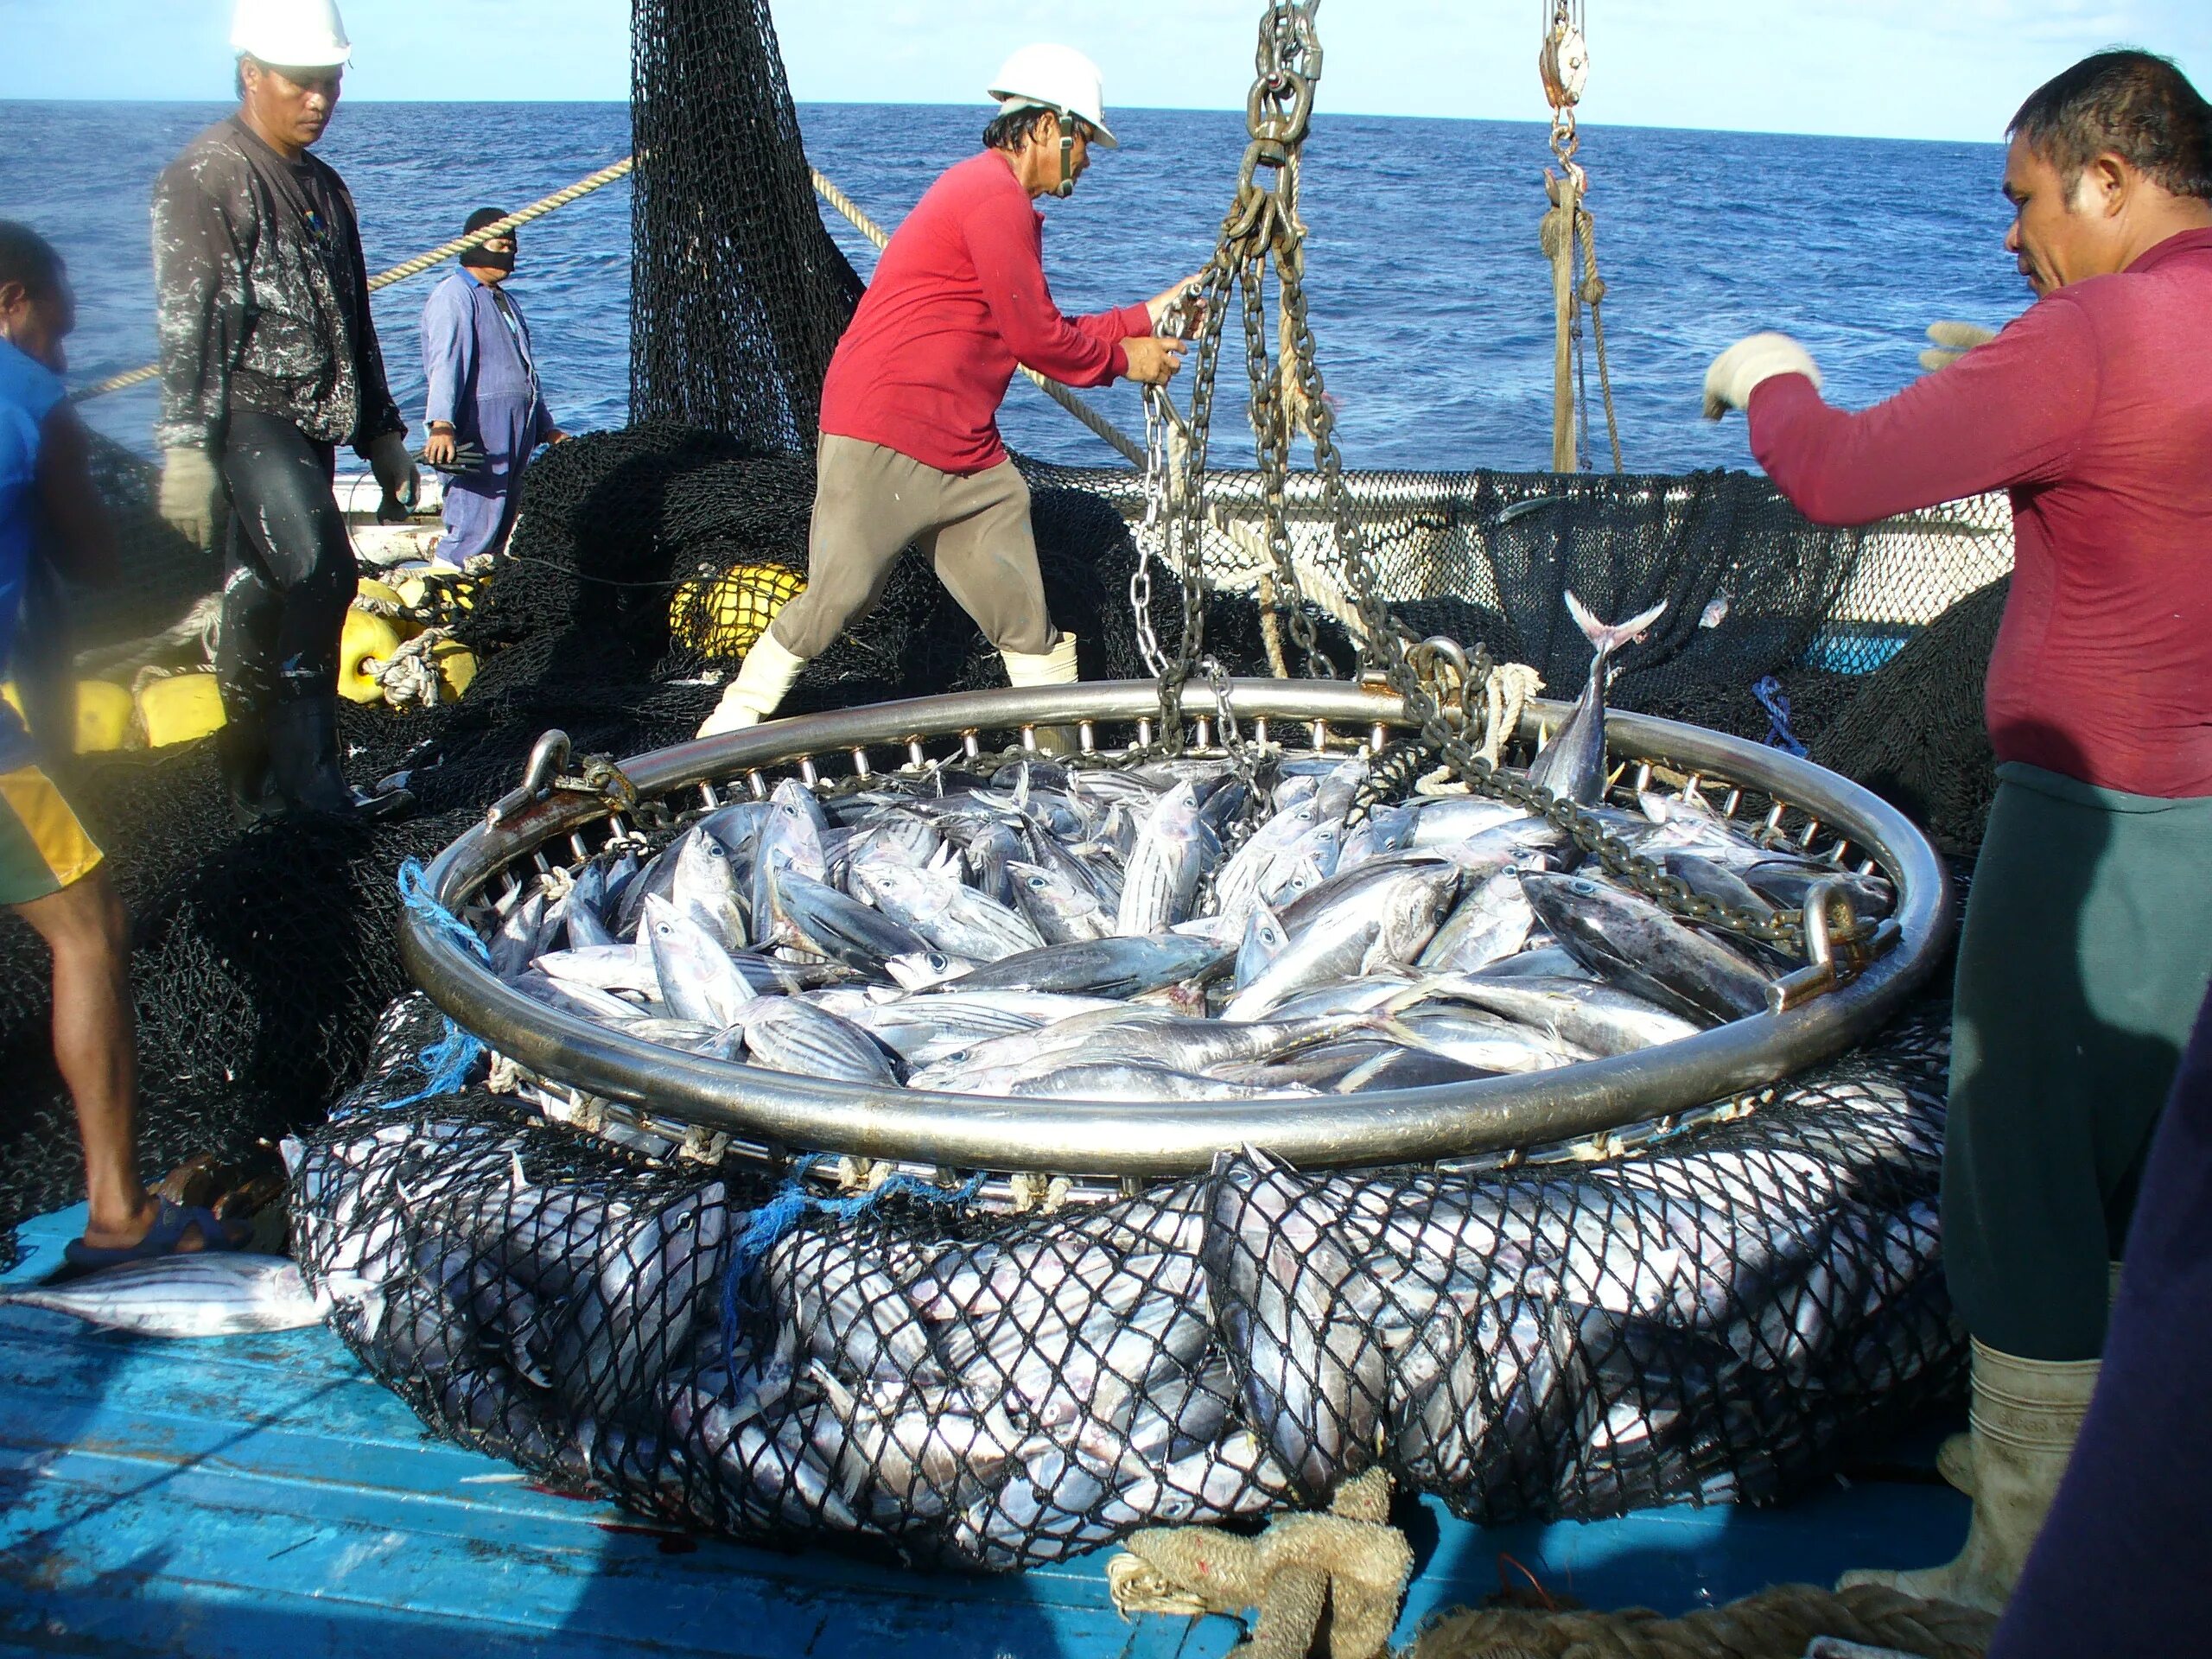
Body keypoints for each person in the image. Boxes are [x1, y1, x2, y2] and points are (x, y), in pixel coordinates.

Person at [1700, 49, 2212, 1612]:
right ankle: (2117, 1476)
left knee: (2031, 1170)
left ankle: (2024, 1562)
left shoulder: (2106, 331)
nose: (2012, 236)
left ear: (2110, 180)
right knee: (2163, 1173)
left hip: (2099, 825)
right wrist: (2036, 368)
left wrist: (1767, 372)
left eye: (2026, 199)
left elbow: (1841, 475)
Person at [696, 44, 1198, 740]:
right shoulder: (992, 199)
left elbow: (1031, 321)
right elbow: (1037, 339)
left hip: (965, 452)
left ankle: (1066, 766)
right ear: (1049, 126)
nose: (1087, 159)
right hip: (888, 430)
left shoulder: (991, 197)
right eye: (1085, 140)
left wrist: (1149, 317)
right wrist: (1126, 362)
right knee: (840, 598)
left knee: (1022, 615)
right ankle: (721, 733)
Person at [0, 224, 244, 1268]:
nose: (62, 344)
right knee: (89, 924)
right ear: (13, 300)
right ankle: (117, 1215)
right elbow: (99, 555)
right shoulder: (27, 392)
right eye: (58, 321)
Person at [153, 0, 416, 822]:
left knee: (262, 590)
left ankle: (252, 778)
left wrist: (383, 432)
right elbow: (186, 321)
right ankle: (310, 780)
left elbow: (354, 316)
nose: (317, 102)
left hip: (314, 422)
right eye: (301, 85)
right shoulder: (207, 176)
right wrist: (187, 450)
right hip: (247, 417)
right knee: (321, 570)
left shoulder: (326, 188)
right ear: (251, 75)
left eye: (330, 85)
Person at [419, 208, 566, 569]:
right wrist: (442, 424)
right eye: (499, 244)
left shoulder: (504, 301)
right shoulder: (454, 296)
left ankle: (485, 592)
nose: (507, 253)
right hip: (480, 429)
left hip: (519, 429)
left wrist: (547, 428)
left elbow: (525, 371)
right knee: (474, 521)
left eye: (512, 246)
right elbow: (446, 363)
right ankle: (447, 587)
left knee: (503, 519)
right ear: (473, 244)